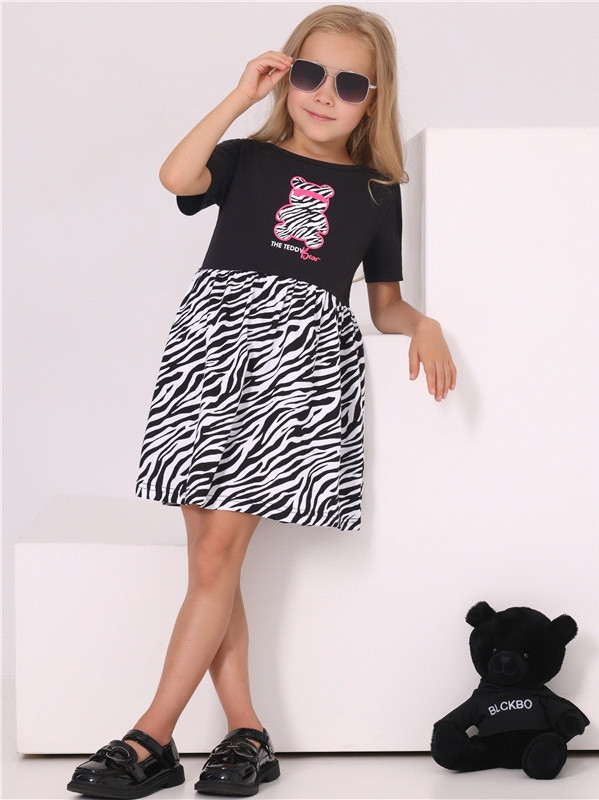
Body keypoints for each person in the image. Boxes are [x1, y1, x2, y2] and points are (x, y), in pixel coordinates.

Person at [67, 4, 457, 799]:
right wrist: (239, 97)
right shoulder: (246, 158)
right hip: (209, 355)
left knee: (216, 557)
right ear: (285, 76)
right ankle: (247, 731)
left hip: (294, 370)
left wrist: (425, 324)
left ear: (372, 99)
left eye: (348, 84)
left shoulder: (376, 191)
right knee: (210, 561)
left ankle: (149, 737)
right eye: (308, 73)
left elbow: (384, 305)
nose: (324, 94)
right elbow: (176, 177)